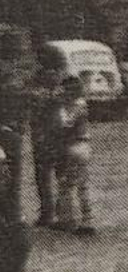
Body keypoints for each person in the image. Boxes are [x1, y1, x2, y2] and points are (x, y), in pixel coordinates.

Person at [51, 76, 93, 235]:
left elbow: (66, 125)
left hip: (71, 145)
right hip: (83, 145)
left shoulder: (69, 107)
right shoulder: (81, 104)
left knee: (66, 184)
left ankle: (67, 218)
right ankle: (86, 219)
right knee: (82, 184)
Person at [26, 59, 61, 228]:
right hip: (60, 137)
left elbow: (33, 117)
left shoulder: (35, 95)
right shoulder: (61, 95)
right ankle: (62, 212)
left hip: (42, 138)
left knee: (43, 176)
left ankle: (48, 212)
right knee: (61, 176)